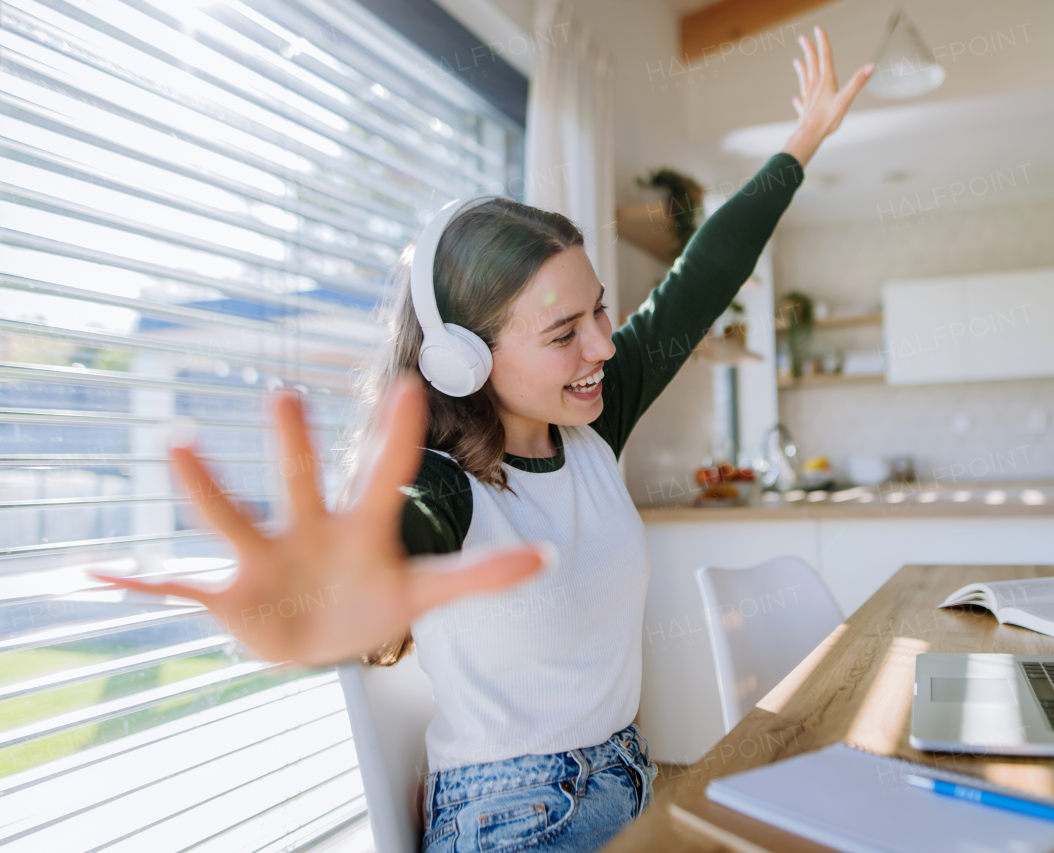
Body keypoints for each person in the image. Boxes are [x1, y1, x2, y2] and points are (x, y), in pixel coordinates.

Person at [98, 28, 873, 853]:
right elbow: (376, 547)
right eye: (564, 331)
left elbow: (701, 280)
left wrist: (802, 141)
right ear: (463, 358)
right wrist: (306, 610)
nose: (605, 346)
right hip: (516, 817)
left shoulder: (592, 426)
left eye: (600, 311)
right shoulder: (441, 487)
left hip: (633, 777)